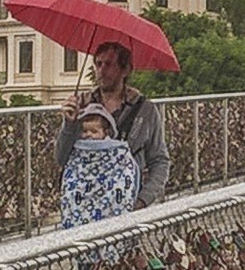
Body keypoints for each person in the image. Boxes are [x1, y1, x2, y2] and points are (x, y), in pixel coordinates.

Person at [56, 42, 171, 208]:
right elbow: (61, 157)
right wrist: (69, 125)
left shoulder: (145, 111)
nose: (101, 70)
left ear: (126, 70)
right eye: (98, 64)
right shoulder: (81, 104)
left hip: (127, 202)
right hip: (84, 205)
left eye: (109, 64)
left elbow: (160, 160)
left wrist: (142, 200)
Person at [60, 103, 140, 232]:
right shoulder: (77, 150)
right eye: (84, 131)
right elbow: (71, 170)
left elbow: (127, 170)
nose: (88, 135)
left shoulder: (117, 150)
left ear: (106, 132)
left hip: (109, 193)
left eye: (94, 131)